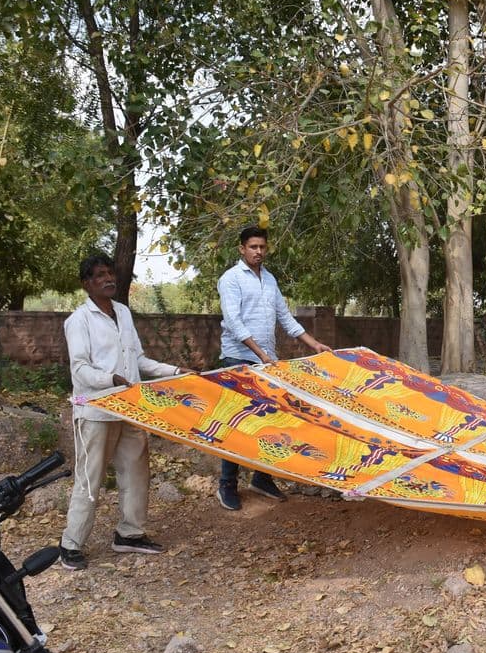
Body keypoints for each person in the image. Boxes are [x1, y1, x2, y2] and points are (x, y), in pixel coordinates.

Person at [61, 253, 191, 571]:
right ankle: (71, 544)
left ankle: (129, 533)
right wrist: (111, 380)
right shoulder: (79, 320)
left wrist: (176, 371)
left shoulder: (123, 313)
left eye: (110, 273)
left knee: (136, 471)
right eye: (99, 275)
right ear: (87, 284)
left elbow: (139, 361)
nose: (108, 278)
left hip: (131, 408)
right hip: (97, 411)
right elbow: (79, 370)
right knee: (89, 478)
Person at [216, 226, 330, 510]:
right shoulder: (231, 279)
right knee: (236, 424)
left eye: (262, 247)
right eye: (252, 247)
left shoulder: (269, 280)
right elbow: (233, 322)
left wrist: (313, 344)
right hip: (238, 360)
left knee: (270, 422)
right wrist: (261, 355)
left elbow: (285, 318)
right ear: (241, 249)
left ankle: (262, 477)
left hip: (266, 361)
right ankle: (227, 485)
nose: (258, 252)